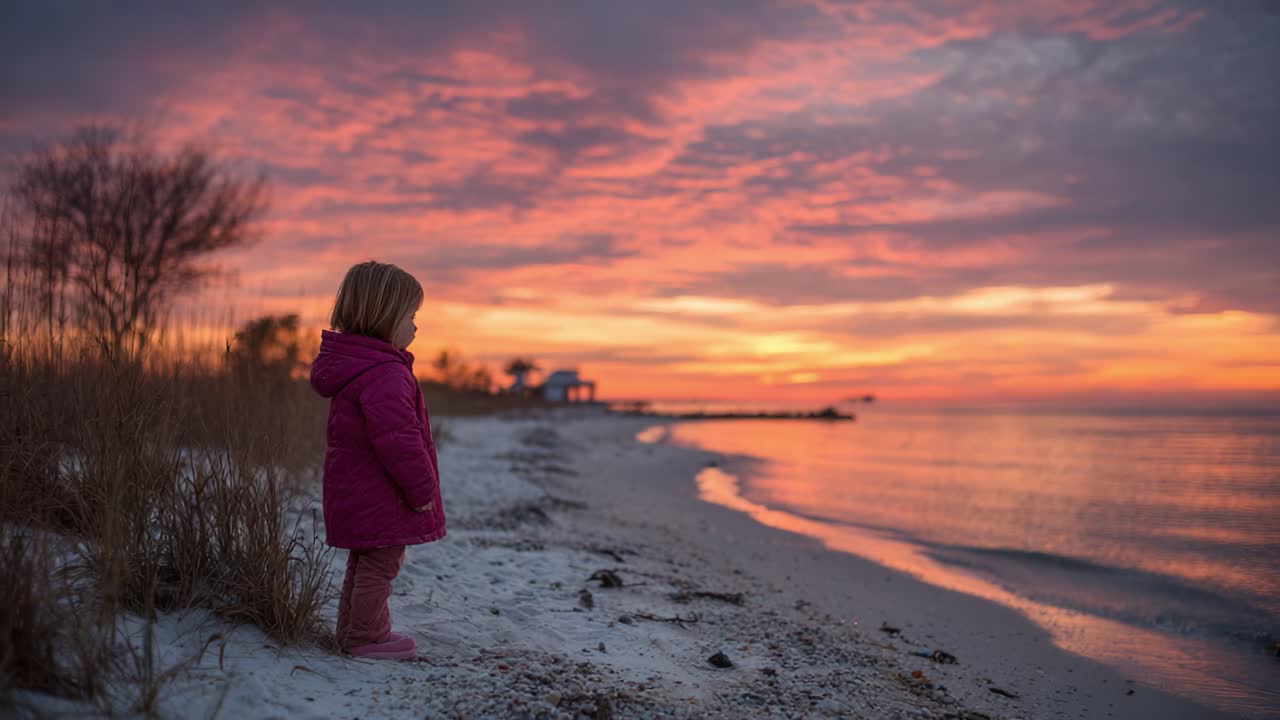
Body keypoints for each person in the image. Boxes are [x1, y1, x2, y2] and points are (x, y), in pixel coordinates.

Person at [309, 260, 446, 660]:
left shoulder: (359, 368)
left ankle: (351, 630)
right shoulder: (385, 373)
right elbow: (398, 440)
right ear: (385, 317)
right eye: (410, 316)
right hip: (380, 494)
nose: (415, 327)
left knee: (364, 560)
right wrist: (422, 490)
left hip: (356, 490)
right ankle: (367, 636)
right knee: (381, 563)